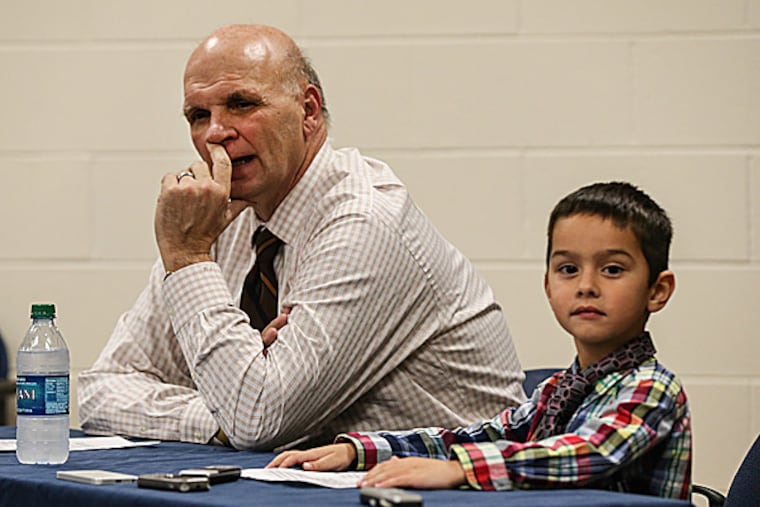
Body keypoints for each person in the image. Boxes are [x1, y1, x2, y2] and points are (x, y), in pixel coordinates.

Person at [77, 24, 524, 451]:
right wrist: (221, 417)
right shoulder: (216, 218)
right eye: (199, 115)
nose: (216, 132)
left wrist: (190, 258)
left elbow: (256, 418)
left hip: (466, 487)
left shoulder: (365, 221)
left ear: (308, 111)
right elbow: (101, 391)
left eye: (242, 104)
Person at [268, 181, 692, 500]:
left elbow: (586, 454)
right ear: (547, 285)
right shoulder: (559, 390)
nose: (586, 286)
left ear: (658, 290)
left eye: (612, 269)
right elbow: (475, 437)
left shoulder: (651, 389)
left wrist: (459, 471)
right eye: (568, 269)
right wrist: (361, 451)